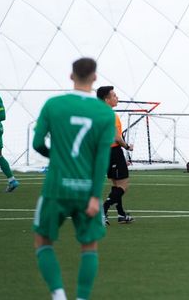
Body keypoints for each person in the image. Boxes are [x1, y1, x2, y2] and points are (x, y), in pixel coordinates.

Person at [32, 58, 115, 300]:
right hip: (86, 191)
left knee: (43, 242)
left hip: (56, 188)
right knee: (89, 246)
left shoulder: (53, 105)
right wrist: (95, 196)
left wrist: (56, 155)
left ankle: (58, 295)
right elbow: (101, 159)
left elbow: (37, 143)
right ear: (95, 77)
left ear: (71, 76)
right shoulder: (104, 113)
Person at [97, 86, 134, 226]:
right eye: (114, 96)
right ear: (107, 100)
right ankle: (103, 210)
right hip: (113, 151)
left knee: (117, 185)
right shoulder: (110, 115)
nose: (117, 98)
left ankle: (121, 214)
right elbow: (116, 137)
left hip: (104, 152)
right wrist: (127, 147)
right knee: (123, 185)